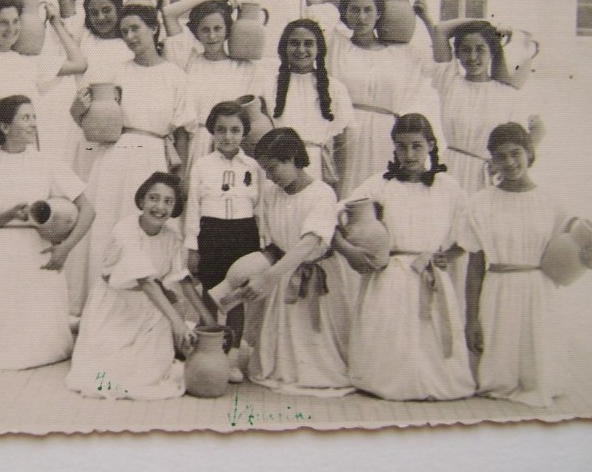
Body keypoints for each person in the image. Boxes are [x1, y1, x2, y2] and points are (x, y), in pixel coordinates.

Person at [460, 123, 592, 407]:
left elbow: (582, 245)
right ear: (492, 160)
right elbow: (475, 266)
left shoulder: (551, 201)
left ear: (529, 152)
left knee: (538, 376)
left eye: (516, 153)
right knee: (497, 380)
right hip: (499, 290)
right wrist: (472, 319)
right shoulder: (480, 203)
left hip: (539, 292)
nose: (510, 163)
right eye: (501, 156)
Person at [334, 113, 474, 401]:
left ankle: (434, 381)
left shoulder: (448, 187)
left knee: (430, 336)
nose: (409, 154)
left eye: (417, 146)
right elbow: (334, 216)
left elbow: (470, 231)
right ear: (394, 148)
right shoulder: (380, 185)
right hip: (391, 274)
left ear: (431, 146)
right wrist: (351, 252)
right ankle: (385, 380)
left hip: (429, 272)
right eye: (401, 146)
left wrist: (447, 254)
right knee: (391, 336)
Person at [70, 4, 198, 315]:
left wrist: (178, 176)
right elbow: (95, 123)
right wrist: (78, 111)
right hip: (114, 158)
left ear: (154, 29)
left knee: (147, 229)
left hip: (153, 159)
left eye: (135, 28)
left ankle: (147, 313)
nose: (129, 36)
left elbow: (183, 129)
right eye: (124, 31)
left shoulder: (175, 75)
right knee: (109, 228)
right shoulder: (117, 72)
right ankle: (100, 310)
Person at [0, 96, 95, 370]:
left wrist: (64, 248)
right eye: (25, 118)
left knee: (41, 345)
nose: (33, 124)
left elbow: (88, 210)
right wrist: (7, 214)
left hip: (37, 251)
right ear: (5, 127)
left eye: (34, 117)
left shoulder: (48, 162)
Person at [227, 128, 352, 397]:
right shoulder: (273, 193)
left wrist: (268, 278)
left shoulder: (322, 193)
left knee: (318, 351)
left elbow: (306, 245)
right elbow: (276, 243)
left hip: (314, 276)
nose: (270, 177)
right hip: (283, 272)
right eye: (266, 171)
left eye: (273, 169)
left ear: (293, 157)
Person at [66, 172, 199, 400]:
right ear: (141, 201)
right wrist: (177, 323)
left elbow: (180, 280)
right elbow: (146, 280)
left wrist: (204, 321)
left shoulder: (172, 238)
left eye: (169, 202)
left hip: (150, 308)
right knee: (108, 375)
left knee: (150, 373)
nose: (160, 207)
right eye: (154, 198)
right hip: (114, 307)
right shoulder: (125, 229)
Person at [309, 0, 442, 199]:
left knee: (384, 195)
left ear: (380, 12)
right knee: (344, 194)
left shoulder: (401, 53)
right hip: (344, 131)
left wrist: (427, 19)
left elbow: (441, 62)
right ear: (345, 12)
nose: (361, 17)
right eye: (354, 9)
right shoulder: (334, 45)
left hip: (385, 134)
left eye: (368, 9)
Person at [0, 0, 87, 165]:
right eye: (3, 23)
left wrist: (56, 24)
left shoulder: (30, 61)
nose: (11, 28)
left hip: (19, 136)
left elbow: (79, 63)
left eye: (16, 21)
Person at [183, 101, 266, 383]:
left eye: (234, 130)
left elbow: (260, 208)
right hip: (212, 234)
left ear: (244, 133)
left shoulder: (254, 167)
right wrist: (192, 245)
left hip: (243, 235)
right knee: (209, 294)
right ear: (212, 132)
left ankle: (231, 359)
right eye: (221, 130)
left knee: (236, 298)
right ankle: (205, 351)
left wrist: (262, 242)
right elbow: (193, 207)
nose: (227, 137)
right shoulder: (202, 166)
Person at [430, 19, 545, 194]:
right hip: (451, 170)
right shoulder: (449, 82)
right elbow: (440, 30)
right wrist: (487, 23)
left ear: (492, 52)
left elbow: (538, 128)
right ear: (458, 54)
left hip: (489, 175)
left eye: (480, 49)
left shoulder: (506, 93)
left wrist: (507, 163)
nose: (473, 57)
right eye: (466, 50)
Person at [159, 0, 261, 183]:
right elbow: (169, 14)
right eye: (205, 30)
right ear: (196, 32)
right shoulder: (187, 61)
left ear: (227, 30)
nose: (212, 36)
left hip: (232, 148)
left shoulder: (244, 68)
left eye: (218, 28)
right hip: (194, 147)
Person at [262, 19, 354, 192]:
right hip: (278, 169)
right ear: (284, 47)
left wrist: (341, 189)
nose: (301, 50)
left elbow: (343, 144)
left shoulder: (335, 88)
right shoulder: (268, 86)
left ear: (319, 49)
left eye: (308, 44)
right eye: (294, 43)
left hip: (317, 168)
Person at [57, 0, 135, 179]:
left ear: (119, 9)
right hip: (85, 130)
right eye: (94, 12)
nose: (100, 17)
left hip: (122, 132)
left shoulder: (131, 42)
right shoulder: (84, 39)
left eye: (107, 10)